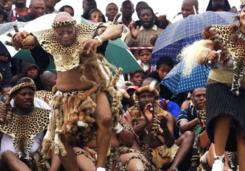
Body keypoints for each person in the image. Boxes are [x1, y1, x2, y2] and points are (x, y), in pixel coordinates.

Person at [10, 12, 123, 171]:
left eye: (69, 30)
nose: (65, 35)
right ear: (54, 31)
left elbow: (118, 28)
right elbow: (37, 56)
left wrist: (99, 39)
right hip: (65, 97)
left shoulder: (88, 32)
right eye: (60, 32)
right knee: (62, 138)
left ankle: (100, 168)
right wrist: (21, 39)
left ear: (75, 27)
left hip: (93, 91)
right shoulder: (47, 38)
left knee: (105, 119)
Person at [180, 1, 245, 170]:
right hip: (220, 86)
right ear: (239, 14)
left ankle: (244, 168)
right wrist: (208, 54)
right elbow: (199, 53)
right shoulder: (223, 32)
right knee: (224, 114)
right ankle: (219, 159)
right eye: (244, 10)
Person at [124, 82, 193, 171]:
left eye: (149, 96)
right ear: (138, 99)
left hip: (164, 149)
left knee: (189, 134)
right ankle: (146, 164)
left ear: (154, 98)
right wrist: (146, 121)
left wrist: (164, 127)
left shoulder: (165, 114)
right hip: (141, 150)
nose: (147, 99)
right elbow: (128, 137)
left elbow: (169, 143)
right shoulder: (129, 113)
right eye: (143, 96)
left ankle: (173, 167)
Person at [0, 77, 50, 171]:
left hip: (35, 153)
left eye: (30, 94)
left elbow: (50, 134)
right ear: (14, 96)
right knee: (8, 154)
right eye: (23, 94)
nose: (27, 97)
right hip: (9, 154)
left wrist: (43, 146)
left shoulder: (44, 108)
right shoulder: (4, 108)